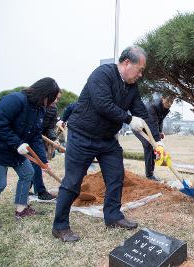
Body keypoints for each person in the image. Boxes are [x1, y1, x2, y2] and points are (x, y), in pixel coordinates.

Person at [52, 46, 163, 242]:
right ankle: (60, 226)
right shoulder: (102, 74)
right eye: (140, 69)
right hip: (82, 136)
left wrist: (157, 142)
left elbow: (143, 115)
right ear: (127, 63)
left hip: (108, 140)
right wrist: (129, 120)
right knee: (72, 182)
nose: (141, 74)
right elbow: (103, 104)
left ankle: (113, 217)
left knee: (116, 177)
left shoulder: (132, 87)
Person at [0, 77, 60, 232]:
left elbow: (35, 136)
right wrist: (17, 143)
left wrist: (43, 161)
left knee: (28, 173)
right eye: (52, 99)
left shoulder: (39, 109)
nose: (53, 103)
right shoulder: (15, 100)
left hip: (18, 150)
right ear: (45, 95)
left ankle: (21, 210)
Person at [133, 95, 175, 181]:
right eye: (168, 101)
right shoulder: (153, 107)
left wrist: (160, 132)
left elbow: (160, 121)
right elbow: (152, 124)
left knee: (155, 147)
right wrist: (158, 141)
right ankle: (149, 176)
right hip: (139, 127)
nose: (170, 104)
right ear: (162, 97)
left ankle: (151, 173)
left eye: (172, 102)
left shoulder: (163, 108)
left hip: (149, 127)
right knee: (148, 146)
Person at [30, 91, 62, 200]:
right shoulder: (38, 105)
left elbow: (50, 127)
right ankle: (40, 191)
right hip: (31, 136)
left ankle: (29, 189)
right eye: (55, 98)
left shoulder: (53, 109)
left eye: (58, 99)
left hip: (40, 137)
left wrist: (54, 139)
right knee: (37, 163)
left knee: (36, 163)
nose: (56, 101)